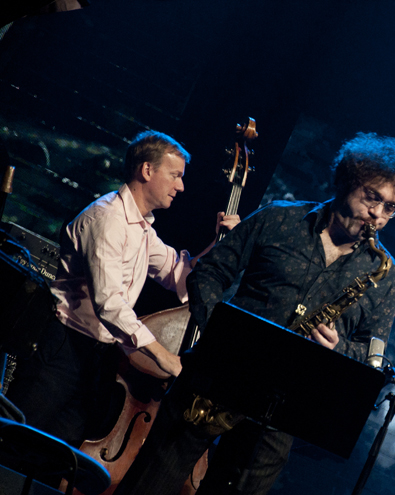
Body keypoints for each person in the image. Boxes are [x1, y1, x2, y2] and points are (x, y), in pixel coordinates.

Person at [110, 131, 395, 495]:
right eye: (373, 197)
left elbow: (373, 356)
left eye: (390, 208)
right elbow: (210, 272)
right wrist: (218, 336)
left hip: (282, 412)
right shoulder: (279, 218)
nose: (378, 214)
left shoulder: (385, 274)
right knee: (144, 494)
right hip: (216, 379)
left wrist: (339, 348)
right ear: (347, 181)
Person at [5, 131, 239, 447]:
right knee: (15, 443)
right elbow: (110, 304)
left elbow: (179, 274)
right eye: (175, 175)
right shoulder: (107, 219)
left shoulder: (141, 228)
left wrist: (221, 244)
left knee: (52, 455)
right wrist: (165, 358)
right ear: (147, 170)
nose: (181, 186)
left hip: (97, 356)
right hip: (62, 348)